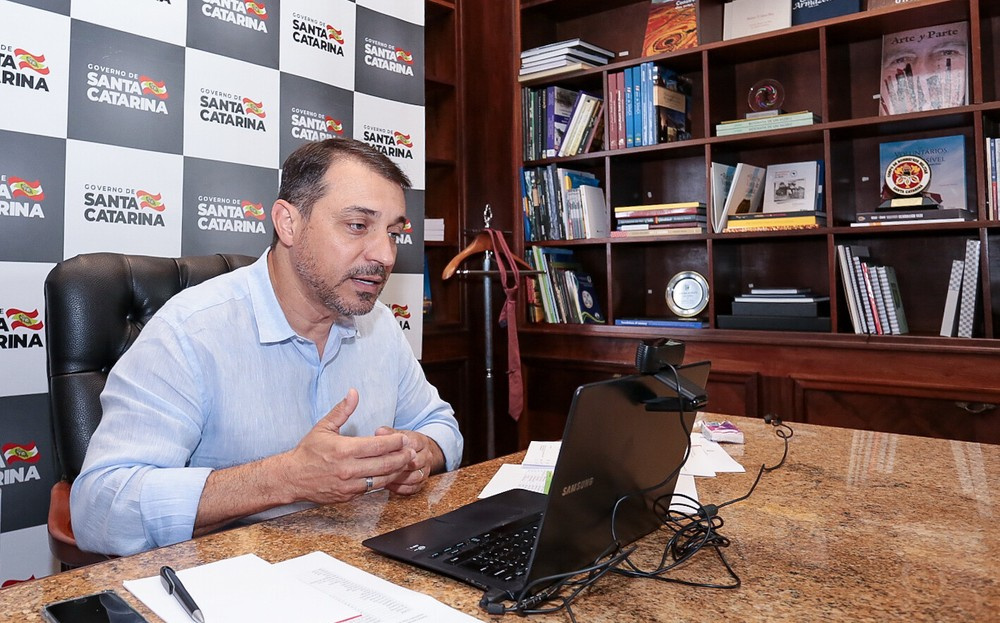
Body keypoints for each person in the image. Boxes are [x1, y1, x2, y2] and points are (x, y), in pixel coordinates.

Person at [70, 138, 464, 556]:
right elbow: (100, 508)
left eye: (393, 233)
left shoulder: (379, 324)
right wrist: (285, 478)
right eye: (357, 225)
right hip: (230, 576)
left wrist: (420, 453)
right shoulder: (188, 331)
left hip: (361, 562)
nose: (385, 255)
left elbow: (440, 425)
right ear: (288, 223)